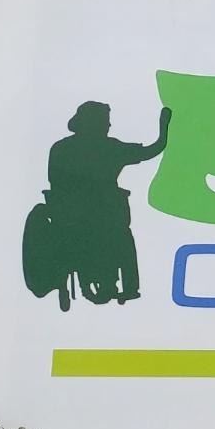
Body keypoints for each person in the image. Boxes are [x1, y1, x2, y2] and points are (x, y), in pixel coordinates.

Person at [34, 101, 172, 307]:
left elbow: (54, 183)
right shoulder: (110, 148)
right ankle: (130, 287)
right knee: (124, 237)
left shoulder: (60, 148)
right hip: (103, 215)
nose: (109, 126)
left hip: (66, 215)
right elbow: (153, 149)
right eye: (106, 122)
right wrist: (164, 125)